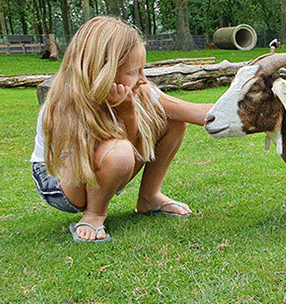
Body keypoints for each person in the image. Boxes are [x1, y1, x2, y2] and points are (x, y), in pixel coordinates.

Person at [31, 16, 214, 242]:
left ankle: (149, 197)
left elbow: (196, 113)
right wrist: (127, 114)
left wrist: (255, 103)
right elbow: (119, 157)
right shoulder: (64, 108)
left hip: (106, 165)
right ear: (103, 70)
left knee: (173, 119)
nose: (143, 79)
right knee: (118, 152)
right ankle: (94, 215)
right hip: (59, 182)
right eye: (133, 72)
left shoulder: (140, 91)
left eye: (142, 69)